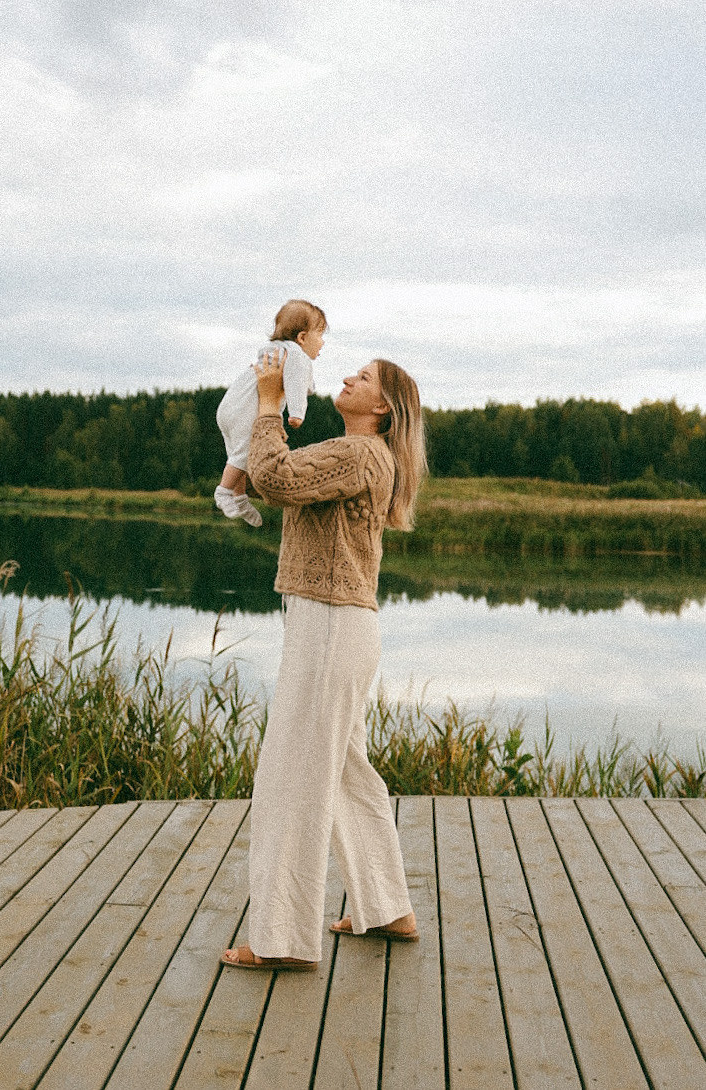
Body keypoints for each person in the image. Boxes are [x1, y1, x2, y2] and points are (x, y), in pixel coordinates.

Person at [222, 348, 427, 971]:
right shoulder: (359, 453)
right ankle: (388, 908)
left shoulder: (361, 452)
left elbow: (275, 478)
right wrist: (272, 421)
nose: (346, 378)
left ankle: (281, 941)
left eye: (362, 378)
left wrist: (265, 403)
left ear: (382, 407)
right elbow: (279, 473)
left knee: (292, 779)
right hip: (339, 625)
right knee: (344, 773)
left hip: (331, 627)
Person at [213, 299, 327, 527]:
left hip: (230, 405)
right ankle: (223, 492)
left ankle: (240, 498)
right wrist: (297, 413)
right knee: (244, 452)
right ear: (302, 337)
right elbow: (297, 386)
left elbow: (302, 381)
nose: (322, 343)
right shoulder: (297, 355)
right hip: (247, 407)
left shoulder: (277, 351)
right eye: (320, 335)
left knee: (238, 456)